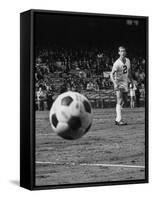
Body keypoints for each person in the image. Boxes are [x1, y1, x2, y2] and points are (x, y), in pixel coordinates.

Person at [110, 46, 132, 125]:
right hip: (118, 83)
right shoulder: (117, 63)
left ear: (125, 52)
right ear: (119, 52)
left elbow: (129, 72)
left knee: (125, 101)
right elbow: (111, 75)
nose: (122, 52)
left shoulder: (128, 61)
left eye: (124, 51)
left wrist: (132, 82)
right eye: (121, 51)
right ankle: (119, 120)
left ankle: (117, 118)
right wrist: (115, 83)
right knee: (119, 100)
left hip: (125, 83)